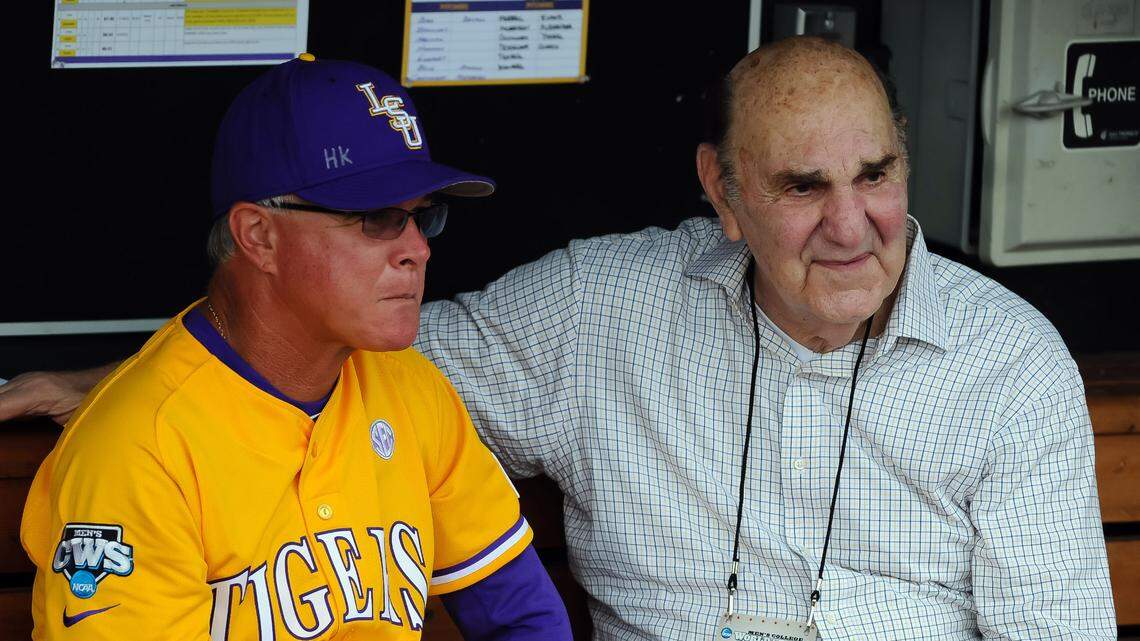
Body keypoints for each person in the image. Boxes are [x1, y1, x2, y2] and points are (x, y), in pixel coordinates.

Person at [4, 38, 1116, 640]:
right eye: (802, 185)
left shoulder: (1009, 367)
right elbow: (280, 354)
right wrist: (125, 379)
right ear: (721, 193)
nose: (853, 222)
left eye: (877, 175)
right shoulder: (602, 310)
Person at [17, 55, 571, 640]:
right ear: (259, 235)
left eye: (422, 218)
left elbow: (523, 618)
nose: (416, 248)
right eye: (377, 217)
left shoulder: (412, 391)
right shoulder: (139, 446)